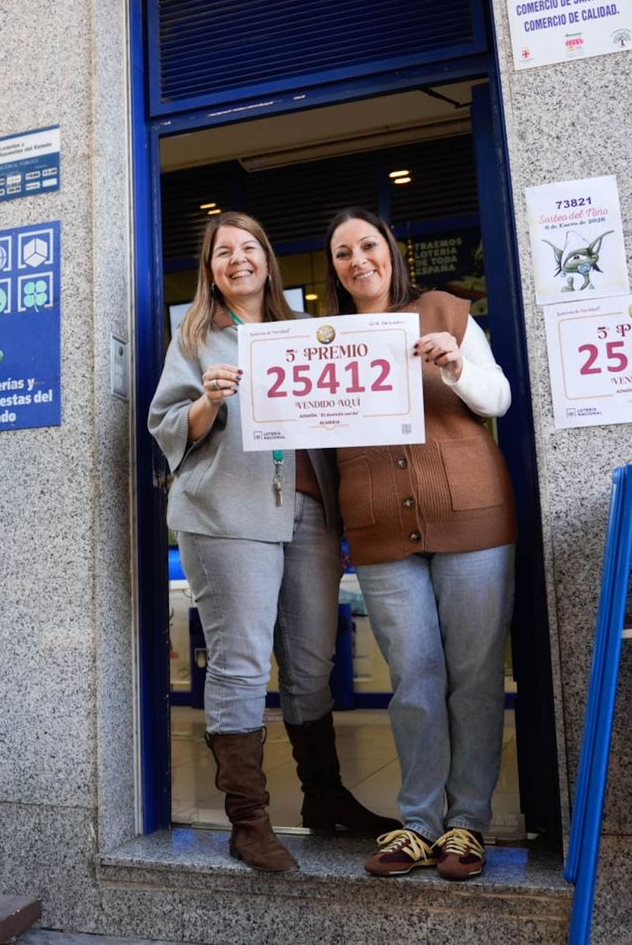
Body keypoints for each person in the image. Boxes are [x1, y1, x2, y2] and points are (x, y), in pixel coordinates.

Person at [148, 212, 398, 872]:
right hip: (228, 511)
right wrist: (207, 401)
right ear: (210, 269)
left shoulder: (301, 334)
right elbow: (166, 424)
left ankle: (324, 799)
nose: (236, 259)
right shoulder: (197, 336)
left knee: (313, 662)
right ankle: (249, 822)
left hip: (309, 511)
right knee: (242, 662)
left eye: (248, 247)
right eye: (222, 251)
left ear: (267, 259)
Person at [322, 207, 517, 881]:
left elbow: (498, 399)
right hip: (379, 534)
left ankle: (466, 825)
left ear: (390, 251)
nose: (357, 260)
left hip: (473, 521)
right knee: (413, 680)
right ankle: (419, 823)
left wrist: (458, 364)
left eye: (367, 245)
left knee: (474, 678)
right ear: (335, 268)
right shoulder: (325, 341)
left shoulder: (443, 311)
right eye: (342, 252)